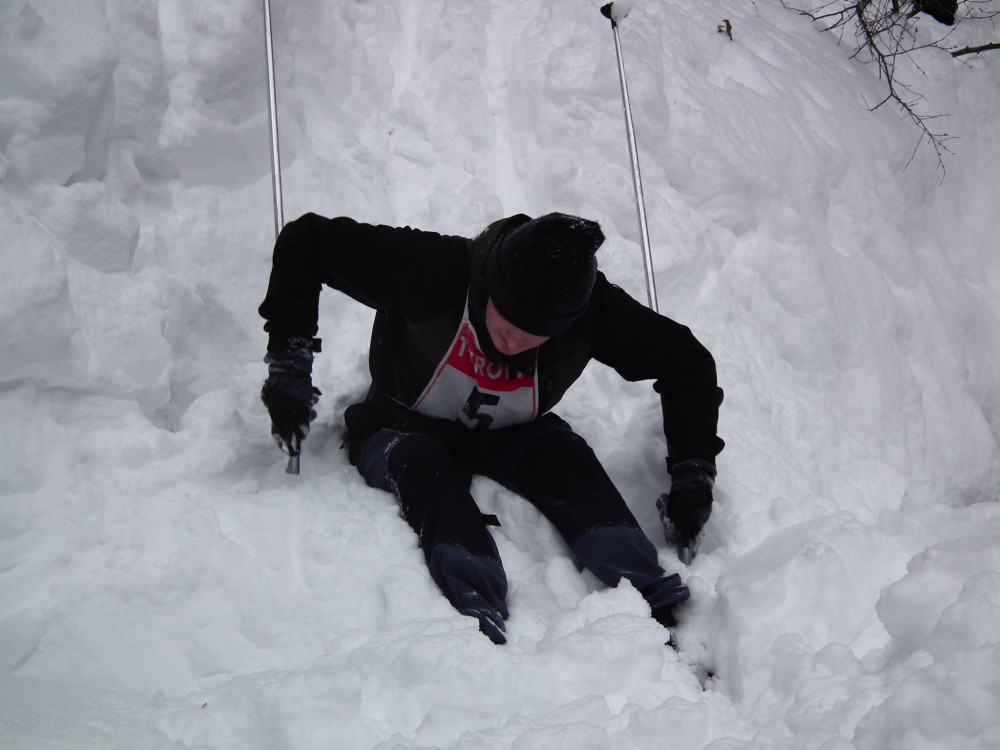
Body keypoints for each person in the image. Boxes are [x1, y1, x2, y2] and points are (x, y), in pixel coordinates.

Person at [258, 211, 724, 644]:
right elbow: (307, 242)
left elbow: (686, 361)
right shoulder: (434, 270)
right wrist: (289, 362)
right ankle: (475, 616)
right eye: (510, 316)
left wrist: (693, 469)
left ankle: (656, 600)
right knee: (425, 467)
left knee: (566, 459)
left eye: (536, 331)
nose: (514, 340)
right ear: (490, 283)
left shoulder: (590, 307)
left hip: (514, 431)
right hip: (400, 425)